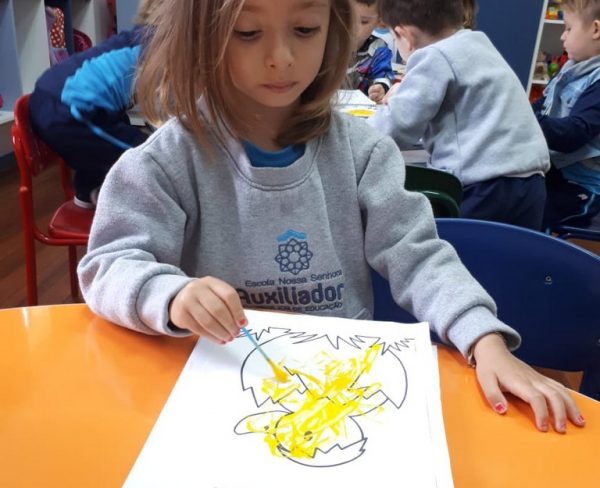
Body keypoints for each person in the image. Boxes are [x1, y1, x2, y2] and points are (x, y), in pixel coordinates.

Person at [77, 0, 584, 434]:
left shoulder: (363, 152)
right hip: (219, 391)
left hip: (340, 393)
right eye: (247, 33)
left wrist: (483, 337)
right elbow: (108, 264)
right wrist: (170, 294)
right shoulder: (167, 160)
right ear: (202, 38)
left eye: (305, 29)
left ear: (334, 29)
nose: (281, 57)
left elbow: (418, 256)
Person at [368, 0, 551, 230]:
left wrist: (359, 132)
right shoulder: (478, 43)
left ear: (405, 35)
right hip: (531, 182)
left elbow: (398, 125)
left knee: (456, 246)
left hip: (483, 185)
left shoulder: (433, 56)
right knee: (514, 249)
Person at [28, 0, 160, 208]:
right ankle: (107, 198)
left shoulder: (138, 38)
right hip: (66, 106)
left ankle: (88, 192)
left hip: (55, 95)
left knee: (118, 133)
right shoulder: (156, 46)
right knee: (147, 152)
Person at [532, 0, 600, 230]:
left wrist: (530, 122)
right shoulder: (571, 68)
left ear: (596, 30)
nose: (563, 36)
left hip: (581, 186)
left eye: (568, 28)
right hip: (554, 172)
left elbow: (574, 133)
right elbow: (543, 104)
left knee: (544, 224)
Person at [346, 0, 395, 102]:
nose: (353, 27)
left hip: (361, 108)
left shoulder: (379, 49)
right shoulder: (326, 45)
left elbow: (383, 77)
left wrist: (380, 88)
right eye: (347, 18)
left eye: (363, 21)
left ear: (379, 22)